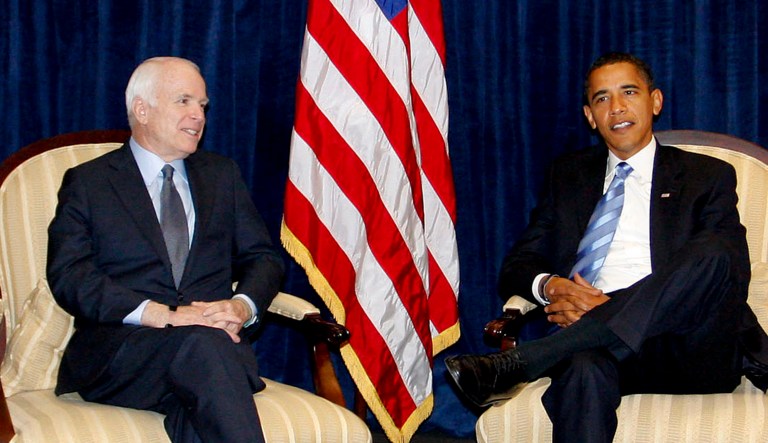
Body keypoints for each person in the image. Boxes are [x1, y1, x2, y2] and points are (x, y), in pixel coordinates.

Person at [446, 52, 768, 442]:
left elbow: (728, 270)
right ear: (589, 116)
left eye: (629, 92)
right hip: (601, 350)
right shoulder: (568, 176)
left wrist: (610, 307)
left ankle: (526, 361)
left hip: (690, 348)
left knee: (717, 251)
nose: (616, 107)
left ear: (655, 101)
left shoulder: (707, 175)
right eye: (602, 98)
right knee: (581, 368)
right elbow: (519, 263)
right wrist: (553, 287)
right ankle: (578, 341)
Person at [47, 57, 285, 443]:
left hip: (212, 354)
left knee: (201, 390)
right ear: (142, 109)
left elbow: (263, 258)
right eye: (184, 101)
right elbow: (70, 276)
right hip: (124, 356)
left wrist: (241, 306)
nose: (198, 115)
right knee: (204, 352)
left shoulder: (222, 176)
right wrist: (161, 315)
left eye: (203, 106)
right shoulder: (89, 183)